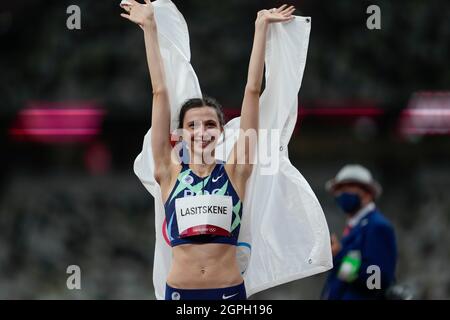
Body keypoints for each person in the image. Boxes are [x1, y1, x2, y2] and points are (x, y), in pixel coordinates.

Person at [121, 0, 296, 300]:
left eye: (210, 125)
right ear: (181, 135)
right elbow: (159, 91)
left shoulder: (237, 170)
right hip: (180, 294)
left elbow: (252, 91)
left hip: (228, 293)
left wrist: (260, 27)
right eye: (193, 126)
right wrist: (150, 28)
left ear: (221, 132)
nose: (202, 132)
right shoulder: (167, 170)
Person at [321, 164, 397, 300]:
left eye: (348, 188)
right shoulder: (355, 228)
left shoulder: (377, 227)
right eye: (339, 189)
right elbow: (346, 276)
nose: (342, 193)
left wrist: (339, 256)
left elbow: (376, 280)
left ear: (367, 194)